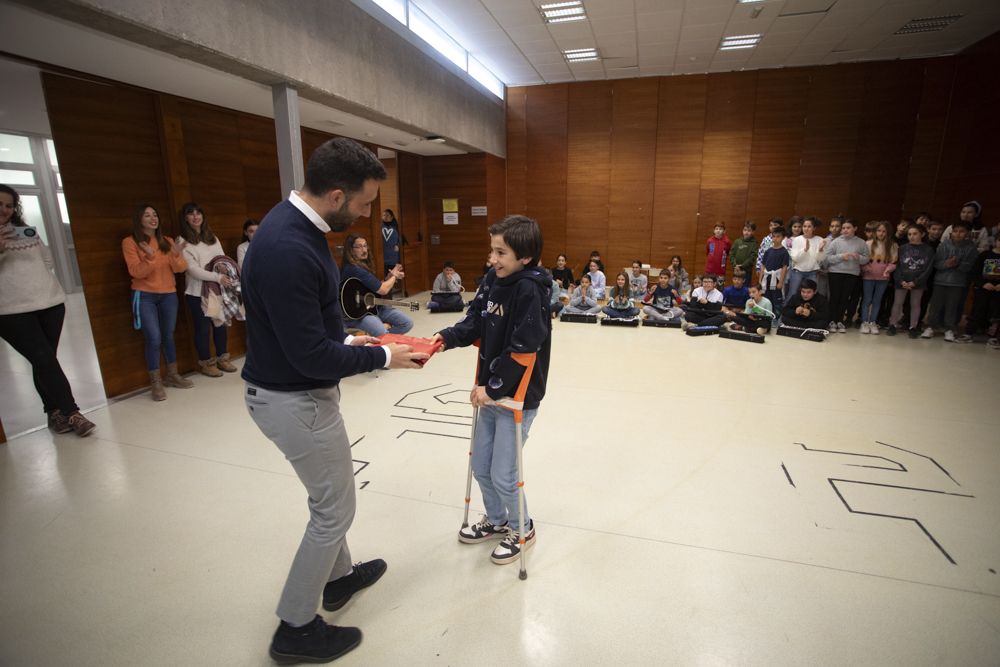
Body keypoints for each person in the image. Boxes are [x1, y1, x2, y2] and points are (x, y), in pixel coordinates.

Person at [241, 138, 428, 664]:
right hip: (293, 399)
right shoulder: (288, 247)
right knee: (334, 509)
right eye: (366, 204)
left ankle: (340, 578)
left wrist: (353, 340)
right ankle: (295, 628)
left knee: (329, 498)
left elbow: (309, 331)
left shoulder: (299, 228)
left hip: (294, 391)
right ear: (338, 194)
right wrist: (384, 359)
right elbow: (308, 359)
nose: (370, 214)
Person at [431, 215, 551, 566]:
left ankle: (521, 527)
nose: (493, 259)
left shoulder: (531, 290)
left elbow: (524, 348)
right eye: (492, 250)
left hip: (517, 396)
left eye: (502, 252)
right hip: (489, 390)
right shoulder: (492, 280)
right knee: (481, 467)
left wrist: (494, 387)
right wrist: (447, 338)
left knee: (504, 472)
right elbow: (474, 321)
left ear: (525, 257)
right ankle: (497, 519)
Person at [0, 183, 96, 436]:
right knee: (43, 357)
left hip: (49, 304)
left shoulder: (25, 232)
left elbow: (47, 260)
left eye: (9, 205)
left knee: (44, 360)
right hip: (11, 312)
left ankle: (54, 412)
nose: (4, 210)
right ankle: (72, 412)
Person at [122, 204, 194, 401]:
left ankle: (172, 375)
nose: (153, 218)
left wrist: (176, 253)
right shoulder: (130, 242)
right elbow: (136, 272)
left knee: (168, 335)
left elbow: (179, 269)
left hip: (168, 295)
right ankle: (156, 382)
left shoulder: (167, 240)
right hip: (144, 296)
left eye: (155, 214)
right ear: (139, 219)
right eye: (147, 215)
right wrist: (151, 258)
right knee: (154, 338)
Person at [177, 202, 237, 376]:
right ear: (185, 218)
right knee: (203, 328)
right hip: (196, 292)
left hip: (215, 291)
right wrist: (217, 277)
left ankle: (222, 359)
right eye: (191, 213)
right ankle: (206, 363)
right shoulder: (182, 241)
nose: (196, 216)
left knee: (220, 324)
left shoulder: (212, 237)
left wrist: (224, 270)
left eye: (198, 213)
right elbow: (192, 269)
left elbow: (221, 258)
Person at [340, 233, 413, 337]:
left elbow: (373, 287)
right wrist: (395, 276)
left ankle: (380, 339)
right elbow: (383, 290)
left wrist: (389, 277)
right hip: (359, 313)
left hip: (374, 307)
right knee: (382, 333)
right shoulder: (354, 269)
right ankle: (382, 339)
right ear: (350, 250)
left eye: (365, 246)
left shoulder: (361, 266)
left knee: (406, 323)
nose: (364, 250)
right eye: (359, 247)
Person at [922, 221, 978, 342]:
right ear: (951, 232)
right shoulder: (944, 245)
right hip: (940, 281)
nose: (958, 234)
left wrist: (958, 264)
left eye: (962, 231)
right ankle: (931, 326)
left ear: (967, 233)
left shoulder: (971, 247)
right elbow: (936, 263)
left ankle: (949, 329)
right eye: (956, 231)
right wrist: (946, 264)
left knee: (952, 306)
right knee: (935, 306)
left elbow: (970, 266)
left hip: (958, 282)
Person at [887, 224, 934, 338]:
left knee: (915, 304)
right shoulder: (902, 248)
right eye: (909, 234)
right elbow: (897, 266)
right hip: (902, 281)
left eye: (915, 234)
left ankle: (913, 327)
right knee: (897, 303)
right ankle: (892, 324)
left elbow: (928, 269)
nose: (911, 236)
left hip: (917, 282)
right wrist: (901, 280)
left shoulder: (928, 250)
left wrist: (916, 282)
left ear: (922, 234)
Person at [824, 219, 869, 332]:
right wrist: (840, 257)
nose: (845, 230)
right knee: (835, 297)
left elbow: (866, 259)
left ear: (855, 229)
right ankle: (832, 321)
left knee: (845, 298)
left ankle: (840, 320)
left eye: (848, 228)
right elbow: (828, 258)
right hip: (835, 273)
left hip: (852, 273)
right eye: (843, 228)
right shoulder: (836, 242)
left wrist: (858, 257)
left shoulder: (861, 242)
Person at [859, 221, 897, 334]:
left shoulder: (893, 245)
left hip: (883, 278)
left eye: (884, 231)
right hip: (868, 277)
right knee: (867, 300)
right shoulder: (868, 243)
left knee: (877, 300)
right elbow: (862, 260)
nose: (881, 233)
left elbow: (893, 262)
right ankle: (864, 322)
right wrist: (865, 268)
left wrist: (887, 270)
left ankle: (873, 322)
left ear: (888, 232)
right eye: (879, 231)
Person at [965, 234, 1000, 347]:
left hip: (998, 292)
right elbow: (974, 273)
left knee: (996, 314)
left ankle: (993, 337)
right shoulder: (985, 255)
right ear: (995, 241)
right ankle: (968, 334)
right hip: (983, 290)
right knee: (977, 311)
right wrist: (983, 283)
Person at [787, 217, 827, 298]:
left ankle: (808, 310)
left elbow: (820, 259)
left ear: (814, 228)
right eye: (804, 226)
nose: (806, 228)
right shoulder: (797, 239)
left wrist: (820, 250)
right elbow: (795, 258)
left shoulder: (819, 239)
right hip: (797, 271)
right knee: (793, 293)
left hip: (812, 272)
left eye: (809, 226)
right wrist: (805, 250)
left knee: (811, 294)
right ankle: (788, 310)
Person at [760, 226, 789, 324]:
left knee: (777, 300)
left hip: (776, 279)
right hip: (767, 278)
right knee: (767, 299)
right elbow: (763, 266)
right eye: (774, 236)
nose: (775, 238)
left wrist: (781, 282)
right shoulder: (768, 251)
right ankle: (767, 317)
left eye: (778, 236)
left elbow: (784, 268)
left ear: (783, 238)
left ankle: (776, 319)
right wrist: (760, 280)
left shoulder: (784, 252)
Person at [380, 208, 404, 282]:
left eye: (387, 215)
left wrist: (397, 245)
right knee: (384, 277)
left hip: (393, 257)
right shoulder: (380, 226)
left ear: (392, 217)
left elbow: (400, 239)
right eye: (384, 215)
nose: (385, 217)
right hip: (383, 256)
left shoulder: (396, 227)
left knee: (392, 277)